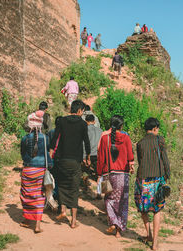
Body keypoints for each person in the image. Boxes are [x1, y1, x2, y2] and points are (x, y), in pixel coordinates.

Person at [49, 100, 90, 228]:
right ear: (79, 111)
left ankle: (62, 211)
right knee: (74, 188)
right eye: (82, 111)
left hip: (62, 160)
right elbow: (86, 142)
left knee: (62, 184)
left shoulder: (62, 121)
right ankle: (73, 221)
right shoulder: (83, 124)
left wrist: (51, 152)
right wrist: (87, 157)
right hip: (75, 161)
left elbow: (55, 138)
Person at [134, 117, 171, 250]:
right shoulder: (159, 140)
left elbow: (140, 160)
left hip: (142, 179)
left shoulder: (140, 143)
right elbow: (165, 158)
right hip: (157, 179)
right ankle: (155, 243)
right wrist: (167, 174)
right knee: (157, 209)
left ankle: (148, 234)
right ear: (155, 128)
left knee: (142, 207)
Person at [97, 115, 134, 238]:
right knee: (122, 202)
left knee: (108, 199)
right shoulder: (126, 138)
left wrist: (98, 174)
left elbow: (100, 159)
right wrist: (131, 166)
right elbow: (130, 157)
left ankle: (113, 221)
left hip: (108, 174)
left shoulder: (104, 139)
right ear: (121, 126)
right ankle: (118, 230)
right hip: (123, 175)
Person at [20, 112, 52, 233]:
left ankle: (27, 221)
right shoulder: (45, 138)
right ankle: (37, 225)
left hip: (28, 170)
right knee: (39, 196)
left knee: (27, 195)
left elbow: (23, 155)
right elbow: (47, 153)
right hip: (41, 170)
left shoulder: (24, 138)